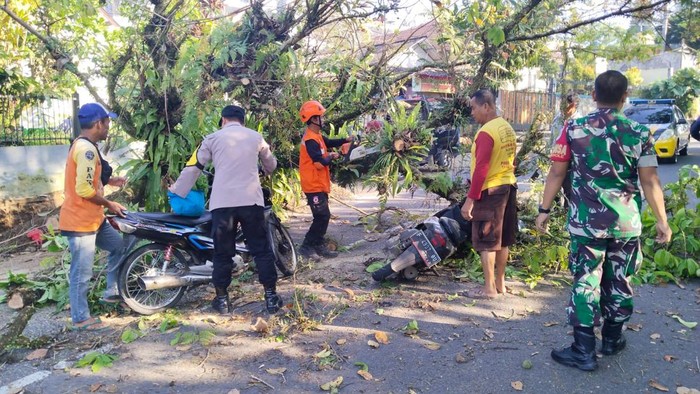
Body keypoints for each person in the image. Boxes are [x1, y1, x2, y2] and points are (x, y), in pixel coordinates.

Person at [535, 70, 672, 371]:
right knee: (619, 279)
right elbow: (650, 182)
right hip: (626, 224)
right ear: (625, 97)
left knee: (586, 280)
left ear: (593, 95)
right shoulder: (640, 133)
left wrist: (544, 210)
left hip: (587, 224)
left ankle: (583, 350)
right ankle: (612, 339)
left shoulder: (573, 129)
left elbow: (557, 173)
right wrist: (662, 221)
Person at [169, 105, 280, 314]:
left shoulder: (211, 139)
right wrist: (266, 169)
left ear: (223, 120)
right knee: (261, 250)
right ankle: (271, 298)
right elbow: (270, 164)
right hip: (251, 202)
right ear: (242, 121)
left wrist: (178, 191)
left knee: (222, 253)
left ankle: (222, 301)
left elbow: (194, 166)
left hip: (222, 204)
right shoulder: (256, 137)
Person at [59, 103, 127, 331]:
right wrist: (109, 203)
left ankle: (111, 292)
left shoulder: (86, 146)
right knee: (81, 271)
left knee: (119, 246)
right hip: (80, 222)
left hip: (93, 220)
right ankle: (80, 318)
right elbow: (84, 190)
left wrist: (109, 180)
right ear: (98, 124)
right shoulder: (86, 150)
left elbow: (89, 179)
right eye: (107, 122)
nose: (109, 127)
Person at [460, 89, 518, 299]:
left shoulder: (486, 132)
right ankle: (500, 283)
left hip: (491, 189)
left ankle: (489, 289)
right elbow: (513, 159)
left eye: (474, 108)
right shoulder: (506, 128)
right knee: (503, 239)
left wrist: (470, 200)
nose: (472, 113)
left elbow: (481, 169)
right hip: (508, 186)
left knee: (487, 240)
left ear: (486, 106)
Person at [297, 100, 353, 260]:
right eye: (321, 116)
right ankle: (307, 247)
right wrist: (331, 156)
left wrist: (345, 140)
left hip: (319, 184)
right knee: (322, 216)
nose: (324, 119)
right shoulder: (310, 140)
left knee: (323, 216)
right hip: (313, 184)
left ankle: (318, 244)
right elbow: (318, 163)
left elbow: (328, 143)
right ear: (314, 119)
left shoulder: (317, 136)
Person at [550, 91, 580, 206]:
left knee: (569, 195)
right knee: (554, 194)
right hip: (555, 163)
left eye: (565, 105)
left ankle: (566, 216)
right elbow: (552, 140)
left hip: (570, 166)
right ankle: (554, 216)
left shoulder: (579, 123)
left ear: (573, 105)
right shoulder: (557, 119)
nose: (562, 108)